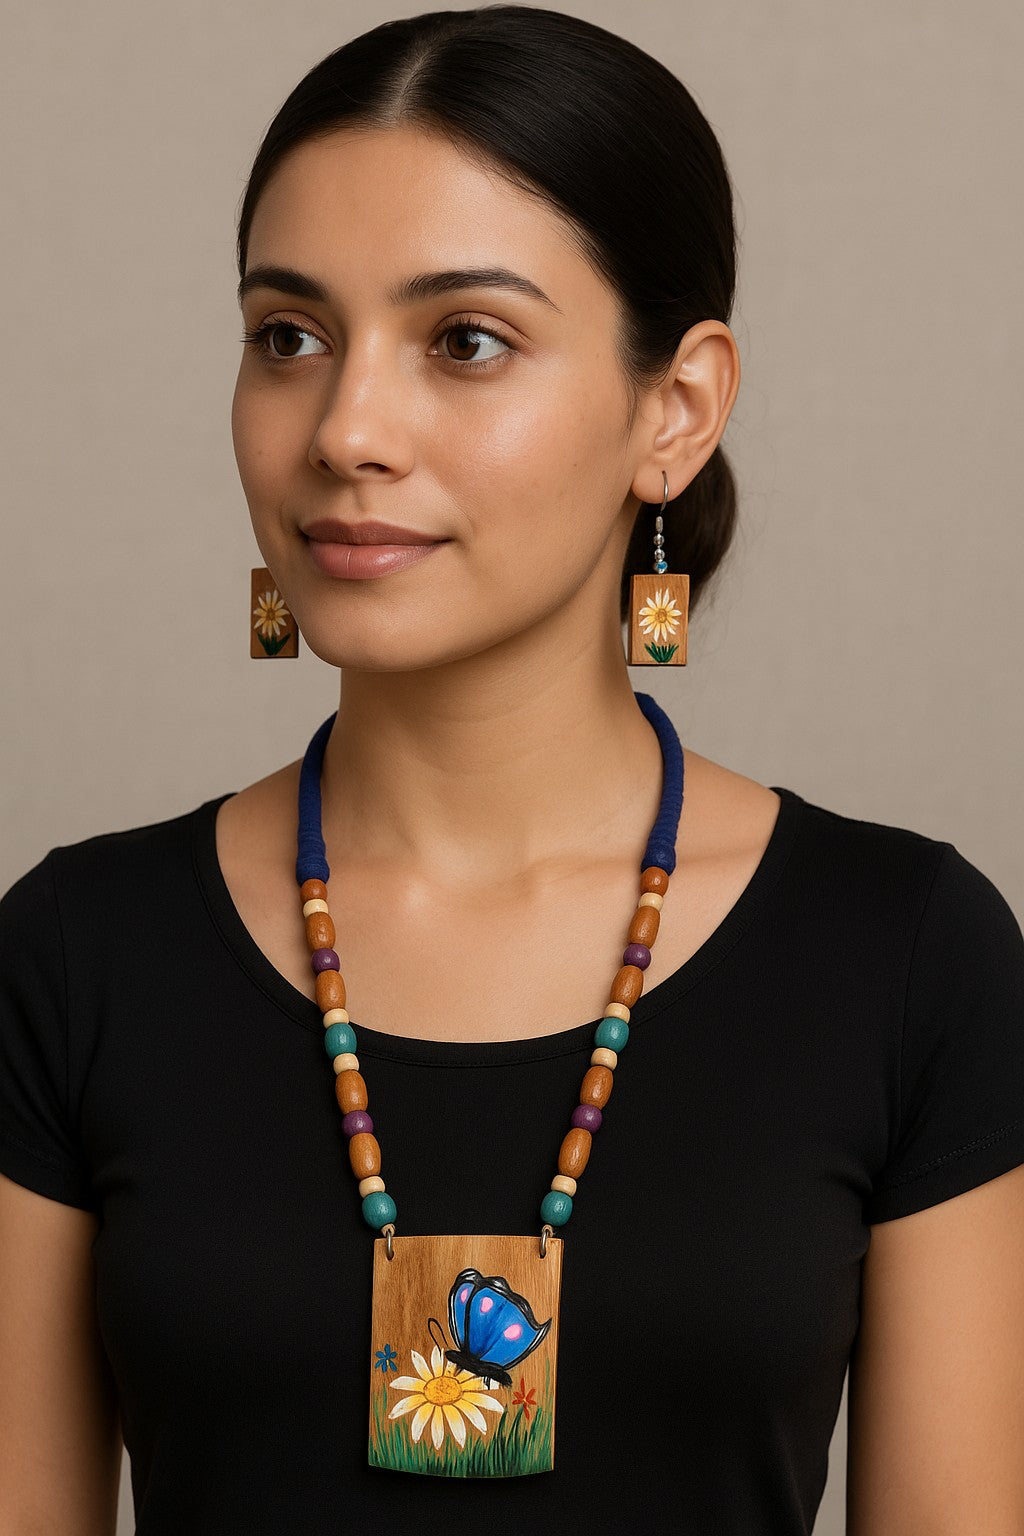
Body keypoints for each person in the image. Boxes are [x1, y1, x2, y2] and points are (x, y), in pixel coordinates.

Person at [2, 7, 1023, 1533]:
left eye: (464, 341)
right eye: (289, 336)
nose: (346, 427)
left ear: (674, 411)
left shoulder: (909, 956)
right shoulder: (78, 953)